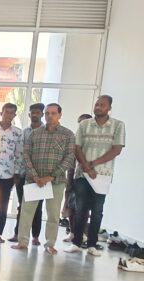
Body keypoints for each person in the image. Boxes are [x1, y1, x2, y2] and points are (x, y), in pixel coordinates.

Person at [64, 96, 126, 256]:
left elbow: (117, 149)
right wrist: (86, 166)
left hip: (103, 175)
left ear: (109, 108)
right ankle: (76, 242)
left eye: (102, 105)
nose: (98, 107)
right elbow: (77, 147)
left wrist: (93, 164)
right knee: (80, 209)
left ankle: (92, 244)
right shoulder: (85, 124)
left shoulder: (118, 125)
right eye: (97, 104)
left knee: (97, 211)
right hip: (82, 174)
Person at [12, 103, 76, 254]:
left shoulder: (68, 135)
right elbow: (26, 155)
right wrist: (35, 175)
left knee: (53, 214)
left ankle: (50, 244)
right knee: (26, 212)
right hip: (34, 180)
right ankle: (22, 241)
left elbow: (70, 157)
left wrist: (51, 176)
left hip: (56, 182)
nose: (50, 116)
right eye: (47, 113)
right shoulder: (35, 133)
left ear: (60, 115)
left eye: (53, 113)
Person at [9, 103, 45, 245]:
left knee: (37, 208)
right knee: (22, 206)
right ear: (29, 115)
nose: (35, 115)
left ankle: (35, 236)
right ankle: (18, 234)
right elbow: (19, 154)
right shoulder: (24, 132)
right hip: (24, 175)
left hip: (38, 177)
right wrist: (17, 173)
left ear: (42, 114)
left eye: (38, 112)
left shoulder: (46, 131)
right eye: (32, 112)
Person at [0, 103, 24, 243]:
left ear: (15, 115)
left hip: (8, 173)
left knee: (2, 205)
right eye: (6, 112)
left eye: (11, 113)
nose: (8, 114)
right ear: (1, 112)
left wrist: (16, 173)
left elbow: (19, 154)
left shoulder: (17, 132)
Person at [62, 113, 93, 243]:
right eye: (80, 122)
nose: (82, 124)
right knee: (70, 205)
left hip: (86, 176)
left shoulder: (92, 140)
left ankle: (83, 234)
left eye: (84, 122)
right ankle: (72, 232)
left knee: (83, 206)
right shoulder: (74, 138)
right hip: (72, 173)